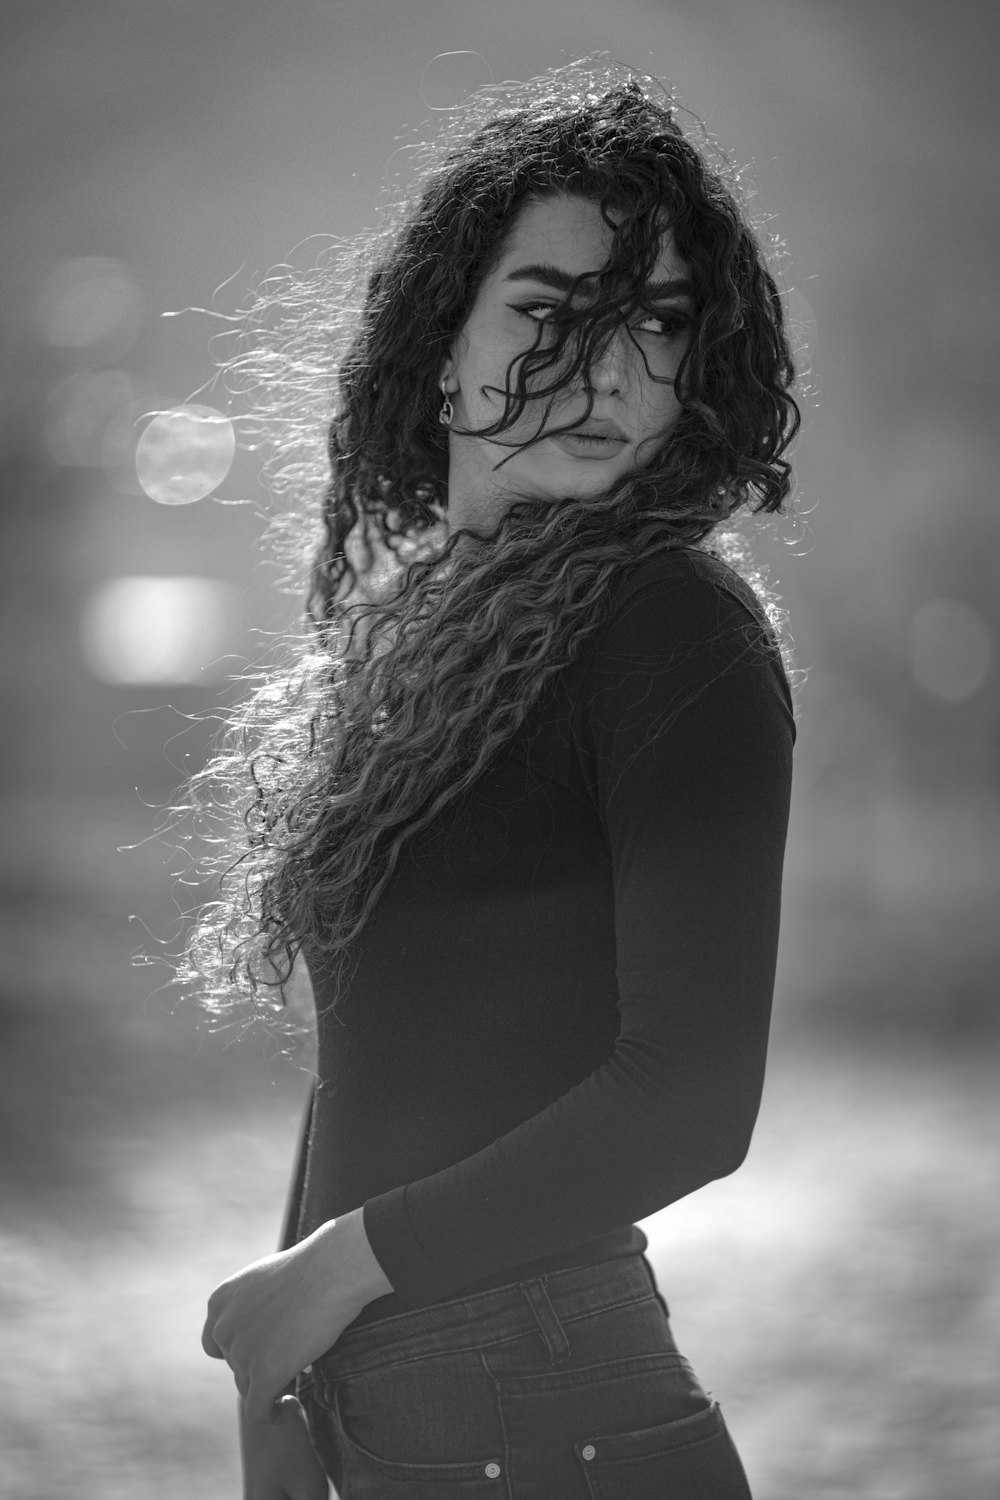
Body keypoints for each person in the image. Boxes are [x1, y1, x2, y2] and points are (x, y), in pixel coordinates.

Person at [194, 58, 800, 1500]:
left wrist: (338, 1270)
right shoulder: (438, 636)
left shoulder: (671, 628)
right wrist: (277, 1369)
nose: (604, 376)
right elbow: (380, 1056)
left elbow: (690, 1100)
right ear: (444, 344)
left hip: (551, 1403)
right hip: (398, 1404)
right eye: (547, 313)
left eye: (655, 325)